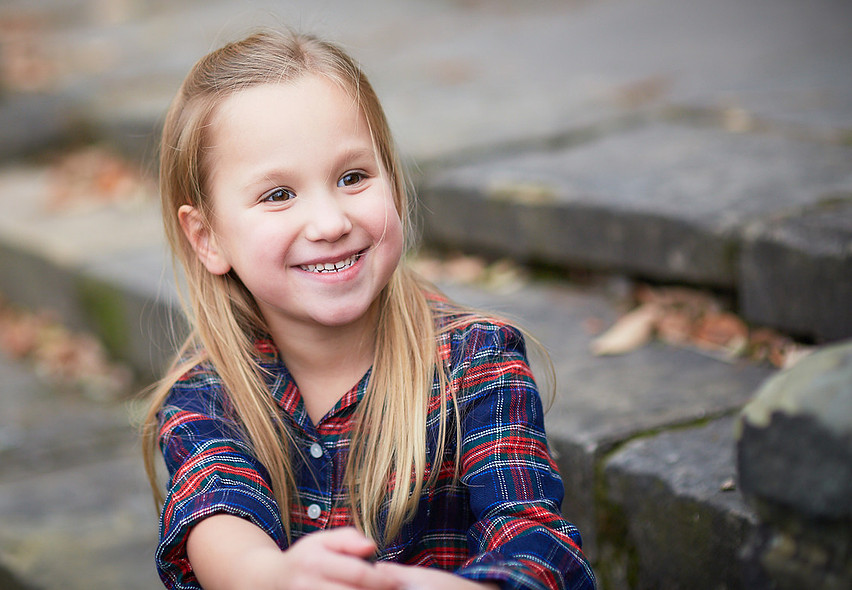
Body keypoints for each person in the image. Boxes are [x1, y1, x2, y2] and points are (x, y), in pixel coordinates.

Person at [141, 29, 595, 590]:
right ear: (208, 237)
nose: (331, 222)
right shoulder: (210, 395)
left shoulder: (476, 362)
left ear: (394, 184)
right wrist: (276, 579)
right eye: (278, 194)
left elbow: (534, 538)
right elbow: (220, 526)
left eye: (353, 177)